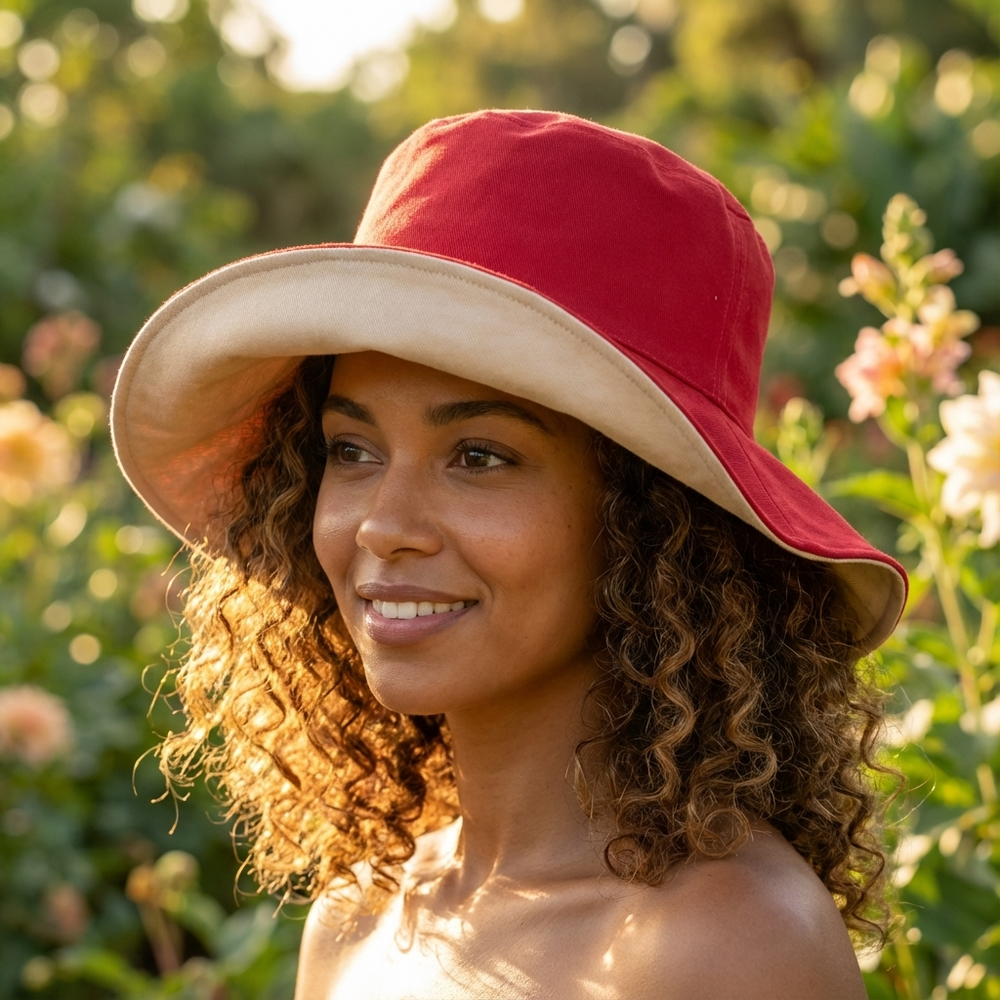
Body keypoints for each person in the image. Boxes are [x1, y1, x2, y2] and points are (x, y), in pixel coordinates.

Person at [111, 110, 906, 999]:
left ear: (651, 523)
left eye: (479, 457)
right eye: (351, 451)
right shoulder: (358, 919)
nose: (383, 524)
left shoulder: (723, 942)